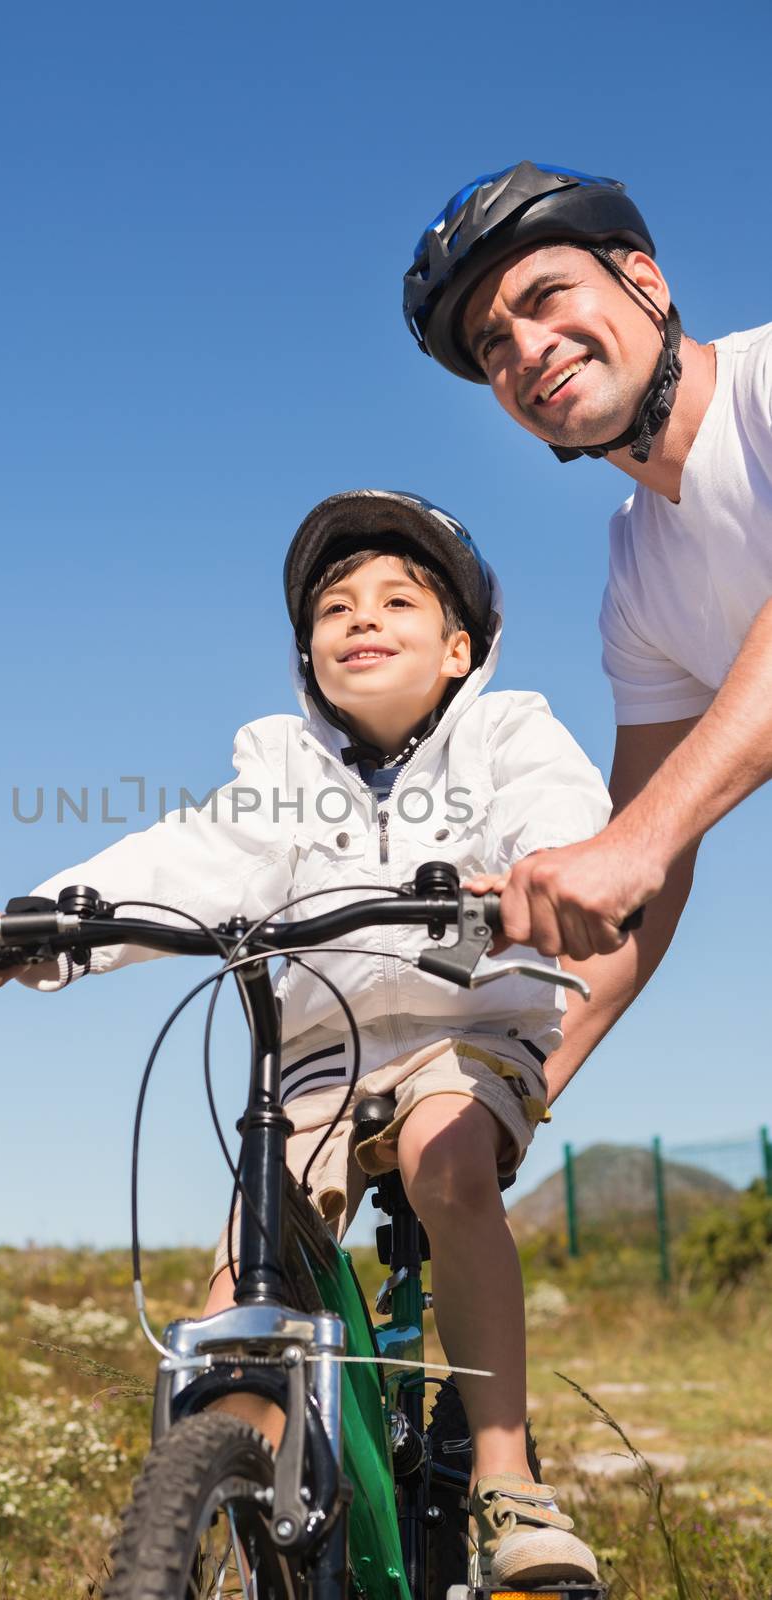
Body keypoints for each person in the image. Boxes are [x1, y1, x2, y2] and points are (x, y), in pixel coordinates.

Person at [0, 488, 610, 1586]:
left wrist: (556, 871)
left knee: (446, 1158)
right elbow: (185, 861)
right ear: (306, 654)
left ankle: (502, 1468)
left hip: (465, 1028)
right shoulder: (284, 771)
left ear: (458, 649)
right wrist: (35, 919)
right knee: (250, 1251)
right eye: (333, 606)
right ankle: (235, 1465)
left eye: (396, 599)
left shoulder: (505, 732)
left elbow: (556, 809)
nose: (359, 617)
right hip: (319, 1057)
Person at [403, 160, 772, 1102]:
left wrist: (630, 846)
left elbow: (639, 846)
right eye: (491, 343)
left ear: (643, 281)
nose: (524, 348)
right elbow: (641, 886)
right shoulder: (638, 573)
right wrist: (505, 1093)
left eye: (546, 294)